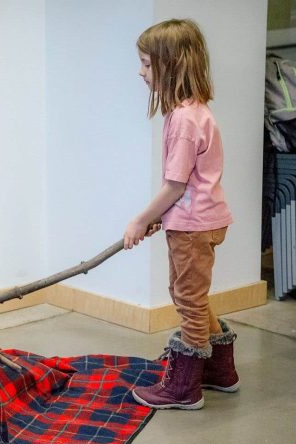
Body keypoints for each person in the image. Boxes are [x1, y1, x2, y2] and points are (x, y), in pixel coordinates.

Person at [123, 19, 237, 410]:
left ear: (170, 65)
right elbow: (186, 183)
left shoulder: (185, 121)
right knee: (190, 293)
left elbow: (176, 185)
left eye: (146, 64)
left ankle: (184, 389)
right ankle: (221, 371)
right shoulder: (194, 112)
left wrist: (140, 220)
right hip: (203, 219)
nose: (141, 72)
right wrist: (161, 216)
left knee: (188, 300)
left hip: (192, 225)